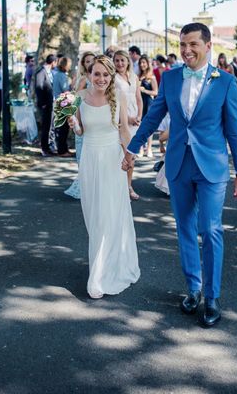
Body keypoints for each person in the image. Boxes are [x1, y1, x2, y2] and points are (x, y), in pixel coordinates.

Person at [122, 23, 237, 328]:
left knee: (211, 228)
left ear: (207, 46)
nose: (187, 50)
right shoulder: (172, 77)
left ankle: (212, 296)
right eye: (183, 44)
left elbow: (233, 129)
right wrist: (133, 148)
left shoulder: (226, 82)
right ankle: (193, 288)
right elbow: (154, 116)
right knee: (185, 229)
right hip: (177, 164)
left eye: (193, 44)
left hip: (212, 167)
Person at [67, 55, 140, 299]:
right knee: (94, 213)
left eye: (105, 75)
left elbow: (124, 130)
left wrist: (130, 156)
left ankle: (102, 272)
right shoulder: (79, 97)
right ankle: (102, 260)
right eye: (96, 74)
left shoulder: (118, 96)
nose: (101, 79)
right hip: (89, 159)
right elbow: (81, 131)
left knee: (111, 214)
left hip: (112, 160)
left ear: (111, 77)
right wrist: (73, 124)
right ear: (89, 75)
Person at [65, 52, 96, 200]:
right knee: (82, 154)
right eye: (87, 61)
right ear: (83, 63)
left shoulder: (96, 77)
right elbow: (77, 100)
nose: (90, 63)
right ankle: (86, 185)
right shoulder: (83, 79)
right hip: (83, 116)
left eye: (92, 61)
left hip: (93, 118)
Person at [113, 50, 143, 200]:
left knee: (132, 156)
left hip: (135, 121)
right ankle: (120, 187)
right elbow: (113, 102)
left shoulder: (134, 76)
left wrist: (138, 116)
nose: (120, 63)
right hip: (122, 120)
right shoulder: (113, 79)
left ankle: (129, 185)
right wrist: (127, 118)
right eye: (117, 60)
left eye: (122, 60)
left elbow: (139, 98)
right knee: (123, 156)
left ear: (127, 61)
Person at [36, 54, 57, 157]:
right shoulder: (41, 72)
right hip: (45, 105)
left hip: (51, 103)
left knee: (51, 126)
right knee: (46, 127)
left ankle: (50, 147)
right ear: (53, 62)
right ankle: (44, 148)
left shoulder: (50, 72)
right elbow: (39, 87)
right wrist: (43, 103)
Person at [138, 55, 158, 158]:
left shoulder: (152, 77)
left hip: (149, 103)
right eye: (140, 63)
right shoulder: (138, 76)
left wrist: (144, 90)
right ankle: (141, 148)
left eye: (144, 62)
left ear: (147, 64)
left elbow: (156, 92)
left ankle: (149, 148)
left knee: (148, 127)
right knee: (140, 127)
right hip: (139, 103)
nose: (142, 65)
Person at [53, 56, 73, 157]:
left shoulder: (57, 75)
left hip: (59, 103)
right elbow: (66, 90)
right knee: (63, 129)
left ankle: (64, 149)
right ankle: (62, 151)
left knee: (63, 128)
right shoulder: (62, 76)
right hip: (63, 104)